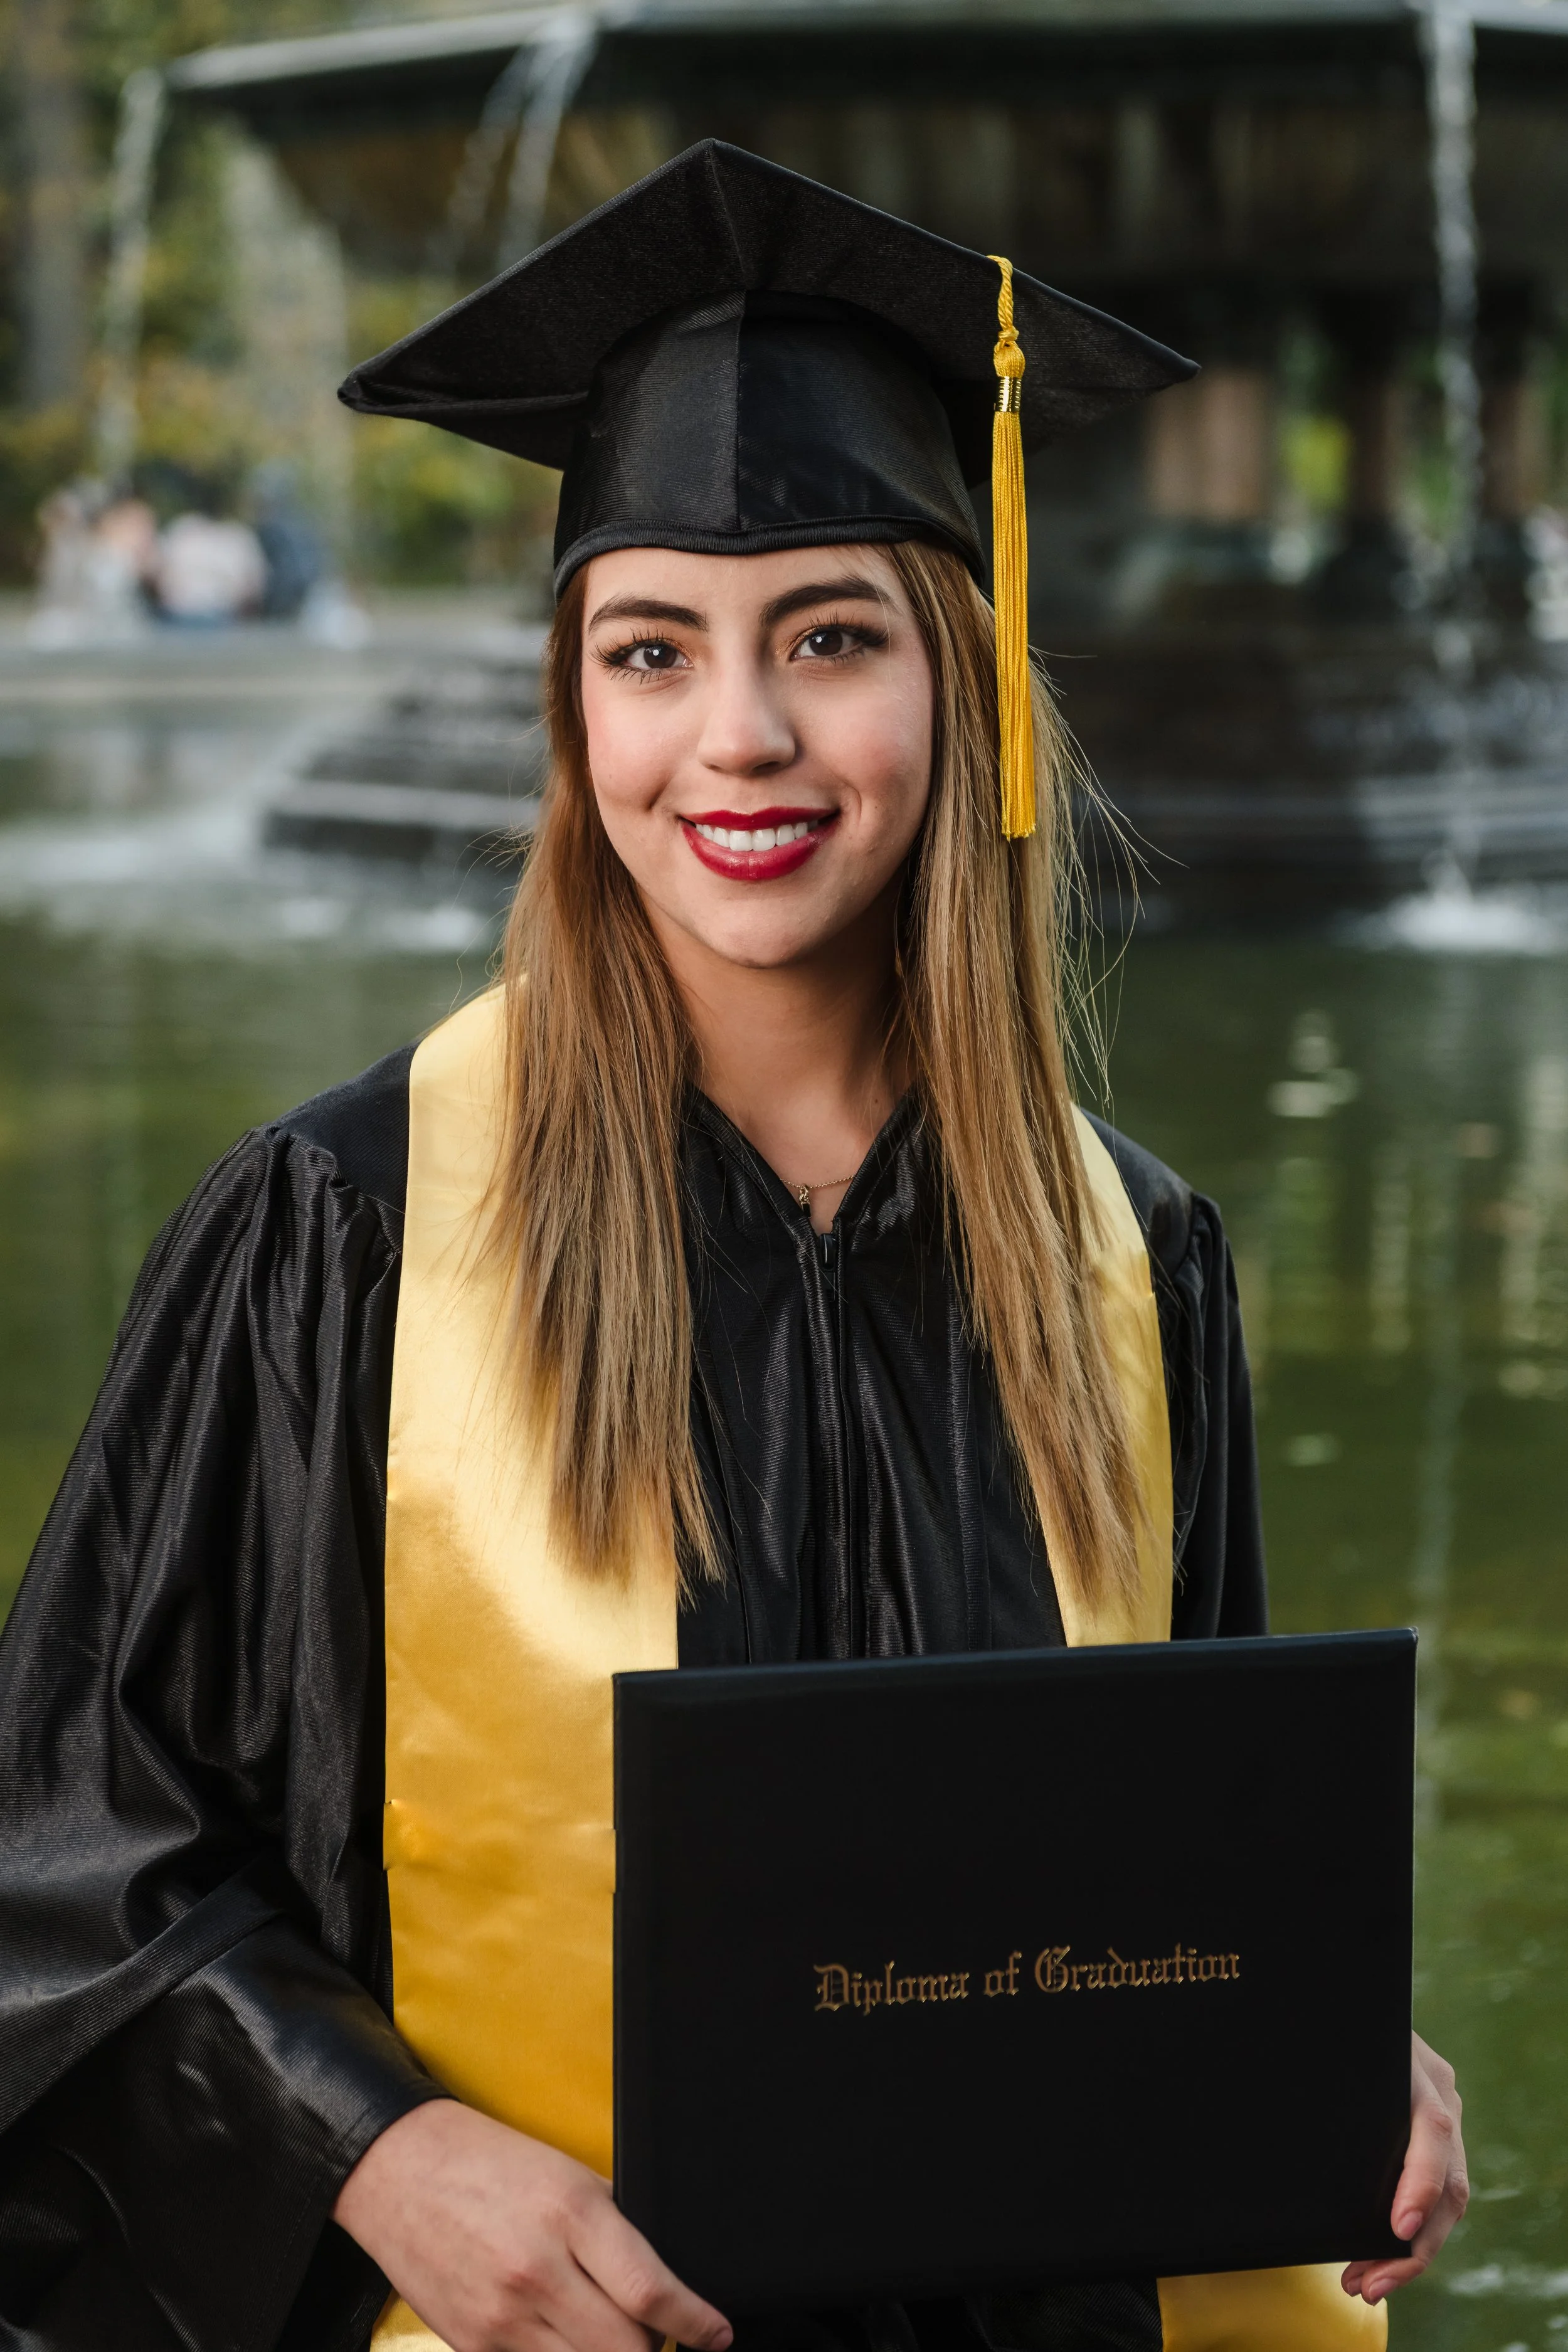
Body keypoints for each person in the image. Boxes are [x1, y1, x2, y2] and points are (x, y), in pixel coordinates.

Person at [0, 142, 1465, 2352]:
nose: (739, 736)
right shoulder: (342, 1231)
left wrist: (1326, 2039)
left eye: (831, 638)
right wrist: (368, 2147)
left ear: (962, 682)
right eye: (650, 650)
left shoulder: (1130, 1256)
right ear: (575, 708)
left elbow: (1173, 1851)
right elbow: (57, 1850)